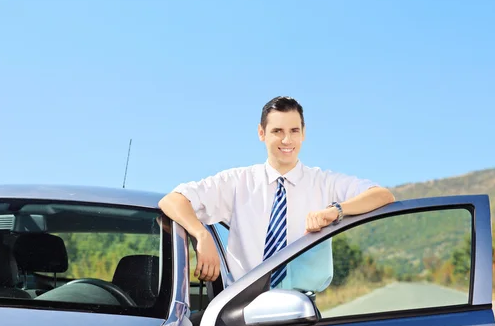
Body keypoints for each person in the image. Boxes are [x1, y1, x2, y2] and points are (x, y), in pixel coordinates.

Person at [158, 96, 395, 290]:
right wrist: (202, 235)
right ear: (262, 133)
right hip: (242, 309)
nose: (286, 140)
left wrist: (336, 211)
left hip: (301, 312)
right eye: (277, 131)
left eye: (293, 130)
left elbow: (383, 195)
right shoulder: (237, 182)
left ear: (303, 133)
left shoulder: (323, 182)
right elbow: (173, 200)